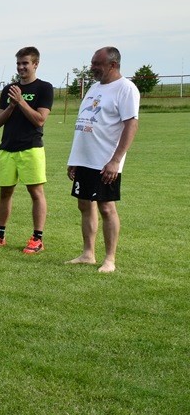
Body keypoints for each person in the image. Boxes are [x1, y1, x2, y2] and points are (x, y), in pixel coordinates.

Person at [66, 47, 140, 273]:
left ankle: (110, 259)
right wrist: (75, 158)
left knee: (106, 208)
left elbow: (131, 124)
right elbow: (84, 122)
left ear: (113, 65)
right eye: (92, 63)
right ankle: (88, 253)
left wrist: (116, 161)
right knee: (84, 205)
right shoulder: (94, 88)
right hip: (84, 159)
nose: (92, 68)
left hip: (105, 161)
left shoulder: (126, 89)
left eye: (97, 64)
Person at [0, 47, 54, 254]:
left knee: (36, 192)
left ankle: (37, 239)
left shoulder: (44, 88)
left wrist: (21, 101)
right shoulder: (9, 89)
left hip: (31, 148)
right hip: (7, 148)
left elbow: (40, 120)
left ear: (35, 64)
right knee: (5, 192)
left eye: (25, 63)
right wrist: (12, 105)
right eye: (19, 64)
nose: (21, 67)